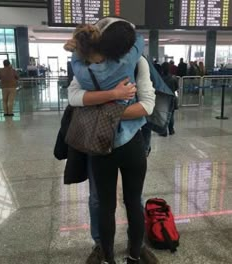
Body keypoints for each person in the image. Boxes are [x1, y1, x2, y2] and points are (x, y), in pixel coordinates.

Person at [65, 19, 157, 264]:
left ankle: (107, 258)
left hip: (100, 144)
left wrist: (101, 108)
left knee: (104, 205)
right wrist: (117, 97)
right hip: (132, 143)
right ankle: (134, 255)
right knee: (133, 201)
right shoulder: (133, 60)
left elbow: (147, 105)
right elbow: (145, 106)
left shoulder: (81, 65)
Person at [160, 62, 179, 137]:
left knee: (163, 115)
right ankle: (171, 130)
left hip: (163, 99)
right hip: (172, 98)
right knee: (171, 115)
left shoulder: (160, 78)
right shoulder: (173, 78)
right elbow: (176, 88)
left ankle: (164, 132)